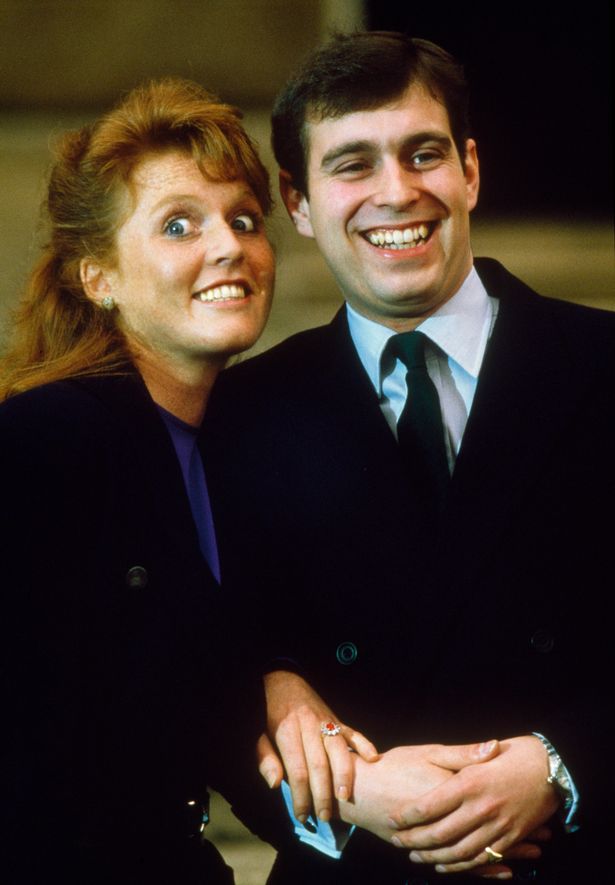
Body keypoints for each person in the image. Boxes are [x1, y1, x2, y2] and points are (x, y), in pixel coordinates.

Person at [204, 31, 615, 884]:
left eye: (422, 153)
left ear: (468, 169)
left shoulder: (601, 366)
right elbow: (200, 682)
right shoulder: (243, 415)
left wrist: (561, 766)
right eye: (352, 164)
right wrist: (349, 788)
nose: (396, 192)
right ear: (300, 200)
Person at [0, 77, 279, 884]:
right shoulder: (43, 444)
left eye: (244, 219)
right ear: (99, 277)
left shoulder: (241, 444)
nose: (227, 245)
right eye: (178, 224)